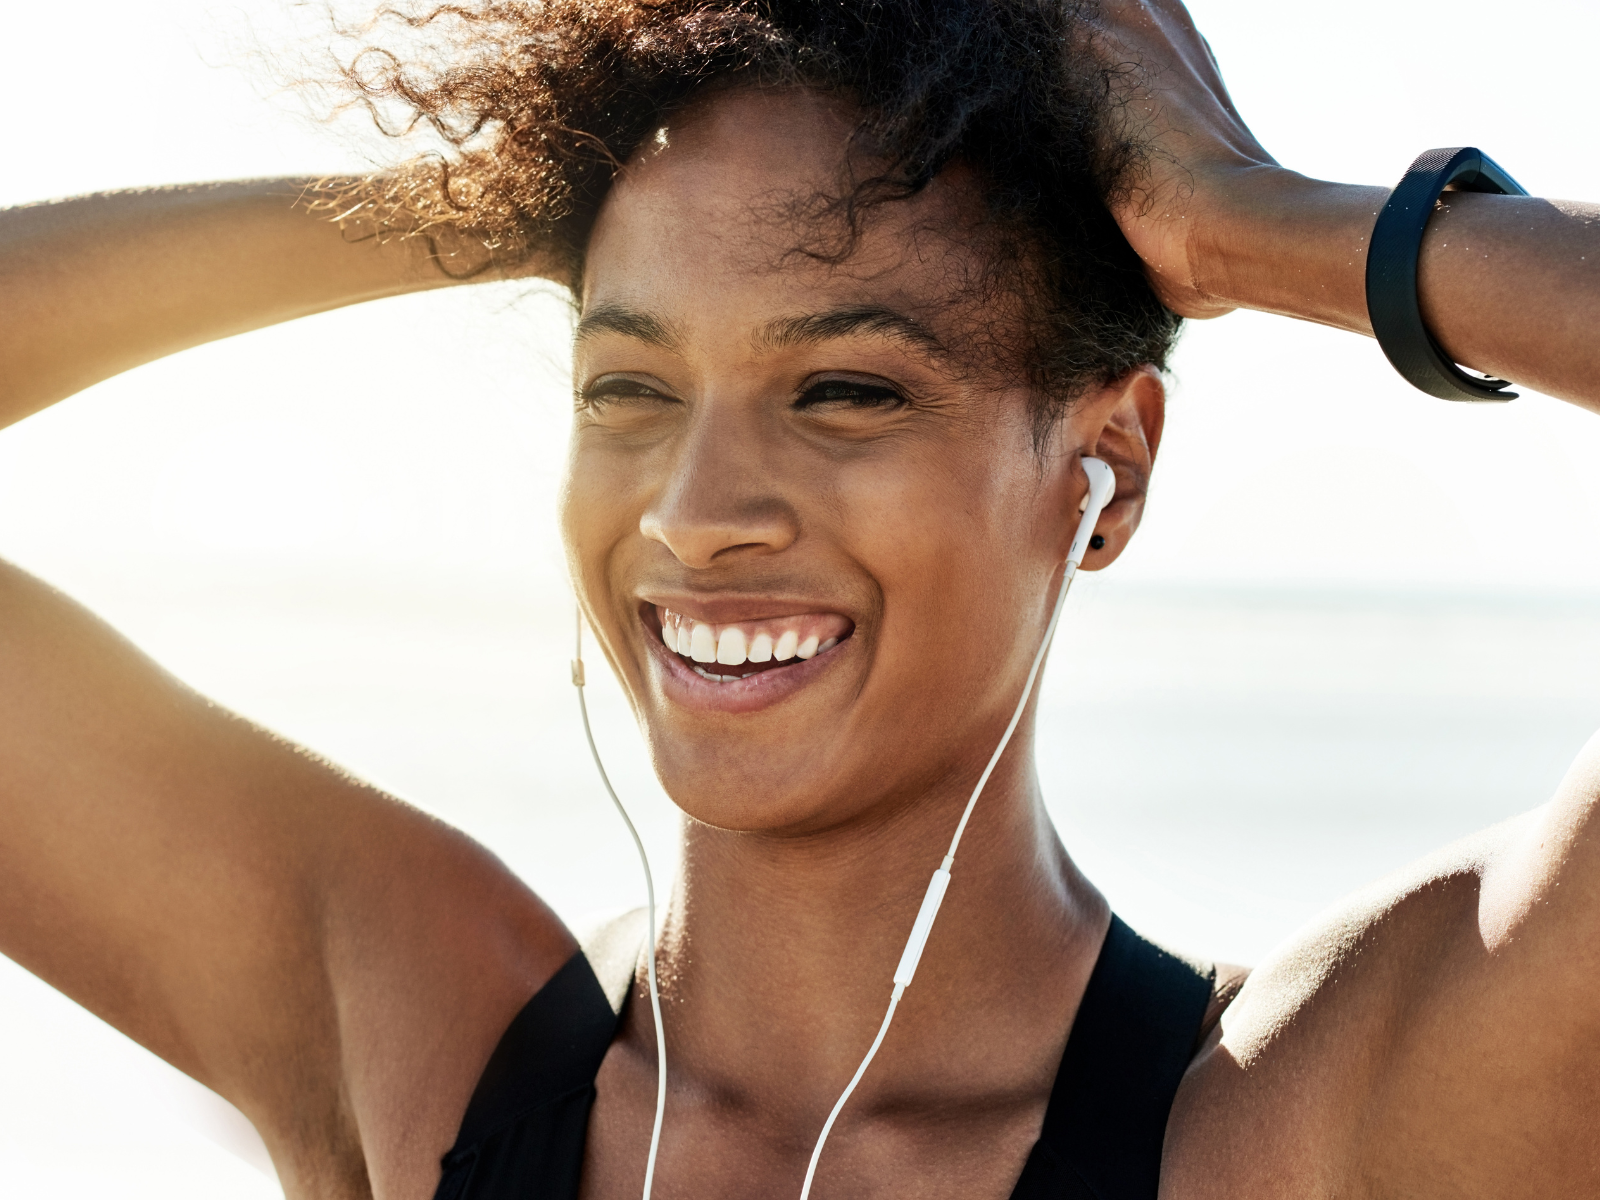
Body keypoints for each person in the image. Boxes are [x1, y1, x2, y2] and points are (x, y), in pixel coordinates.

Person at [2, 1, 1598, 1197]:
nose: (699, 515)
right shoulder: (424, 1038)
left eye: (843, 391)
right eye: (630, 387)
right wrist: (489, 205)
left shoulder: (1305, 1121)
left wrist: (1269, 228)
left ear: (1106, 462)